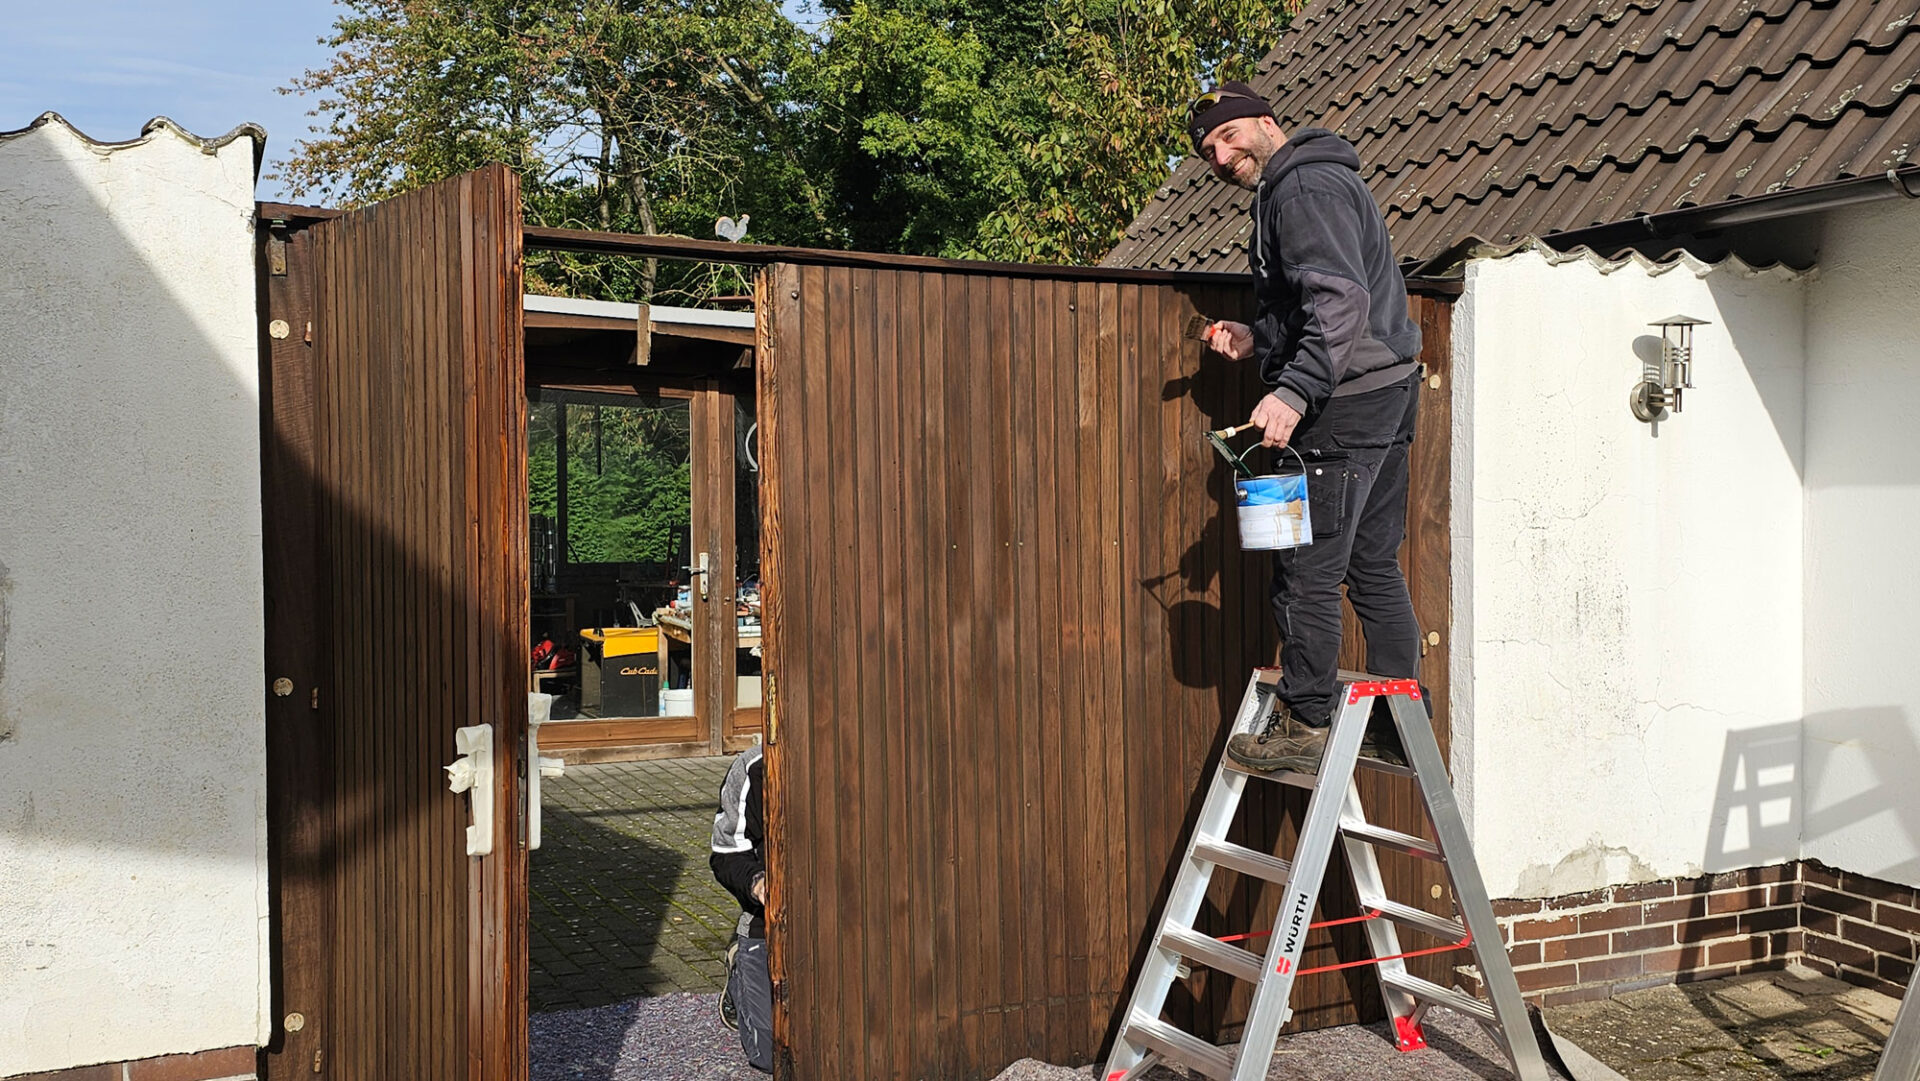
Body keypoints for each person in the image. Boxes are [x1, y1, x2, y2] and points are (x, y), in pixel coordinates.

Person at [1187, 82, 1425, 773]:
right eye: (1209, 152)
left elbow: (1340, 302)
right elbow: (1323, 304)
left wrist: (1292, 390)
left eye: (1229, 137)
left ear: (1267, 122)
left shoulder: (1301, 190)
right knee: (1370, 561)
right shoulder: (1311, 183)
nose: (1222, 156)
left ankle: (1305, 726)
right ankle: (1395, 720)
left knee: (1307, 567)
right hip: (1386, 389)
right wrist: (1259, 338)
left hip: (1345, 402)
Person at [710, 743, 772, 1072]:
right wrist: (757, 882)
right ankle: (739, 967)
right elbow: (725, 853)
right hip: (770, 921)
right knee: (773, 1055)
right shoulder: (755, 766)